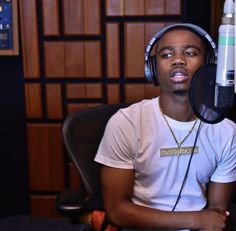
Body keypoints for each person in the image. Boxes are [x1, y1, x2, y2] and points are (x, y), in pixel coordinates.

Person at [94, 23, 236, 231]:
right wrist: (194, 220)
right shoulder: (126, 123)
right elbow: (117, 211)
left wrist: (201, 223)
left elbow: (216, 213)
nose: (178, 60)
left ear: (209, 64)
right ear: (152, 69)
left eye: (190, 52)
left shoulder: (227, 131)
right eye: (166, 55)